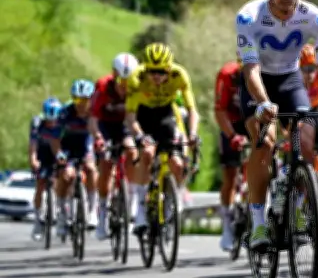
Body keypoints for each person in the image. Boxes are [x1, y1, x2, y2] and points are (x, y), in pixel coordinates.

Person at [236, 0, 318, 252]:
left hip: (289, 78)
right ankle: (258, 223)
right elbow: (250, 67)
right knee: (265, 142)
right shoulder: (249, 15)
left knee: (308, 138)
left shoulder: (317, 18)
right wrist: (262, 102)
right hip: (257, 82)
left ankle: (295, 196)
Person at [125, 43, 199, 235]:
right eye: (152, 71)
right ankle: (140, 209)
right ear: (145, 68)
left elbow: (192, 111)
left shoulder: (179, 75)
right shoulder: (136, 78)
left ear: (169, 68)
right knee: (147, 153)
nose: (156, 76)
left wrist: (192, 133)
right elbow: (130, 116)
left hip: (166, 115)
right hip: (144, 117)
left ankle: (172, 199)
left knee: (177, 161)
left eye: (161, 72)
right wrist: (139, 136)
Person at [89, 52, 139, 240]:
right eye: (121, 81)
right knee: (106, 167)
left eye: (129, 81)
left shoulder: (137, 88)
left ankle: (132, 198)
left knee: (132, 151)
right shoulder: (102, 87)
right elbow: (93, 119)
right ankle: (101, 213)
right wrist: (99, 138)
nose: (125, 86)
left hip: (125, 124)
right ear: (114, 75)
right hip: (105, 126)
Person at [50, 80, 98, 238]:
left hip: (87, 146)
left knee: (91, 168)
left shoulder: (95, 113)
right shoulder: (65, 113)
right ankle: (62, 213)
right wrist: (59, 154)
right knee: (67, 175)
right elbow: (55, 139)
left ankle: (92, 209)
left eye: (84, 100)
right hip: (68, 148)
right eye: (77, 99)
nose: (81, 104)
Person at [214, 57, 248, 251]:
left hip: (254, 120)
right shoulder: (227, 75)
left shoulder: (266, 72)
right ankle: (227, 224)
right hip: (231, 122)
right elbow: (219, 110)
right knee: (230, 176)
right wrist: (232, 135)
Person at [28, 97, 63, 240]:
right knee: (40, 184)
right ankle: (37, 219)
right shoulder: (37, 123)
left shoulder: (62, 122)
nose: (52, 123)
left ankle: (61, 209)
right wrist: (33, 160)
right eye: (49, 120)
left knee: (61, 180)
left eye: (54, 120)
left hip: (57, 152)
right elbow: (33, 145)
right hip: (42, 152)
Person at [300, 44, 318, 187]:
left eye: (312, 68)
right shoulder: (294, 79)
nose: (309, 74)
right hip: (298, 111)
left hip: (315, 108)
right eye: (305, 69)